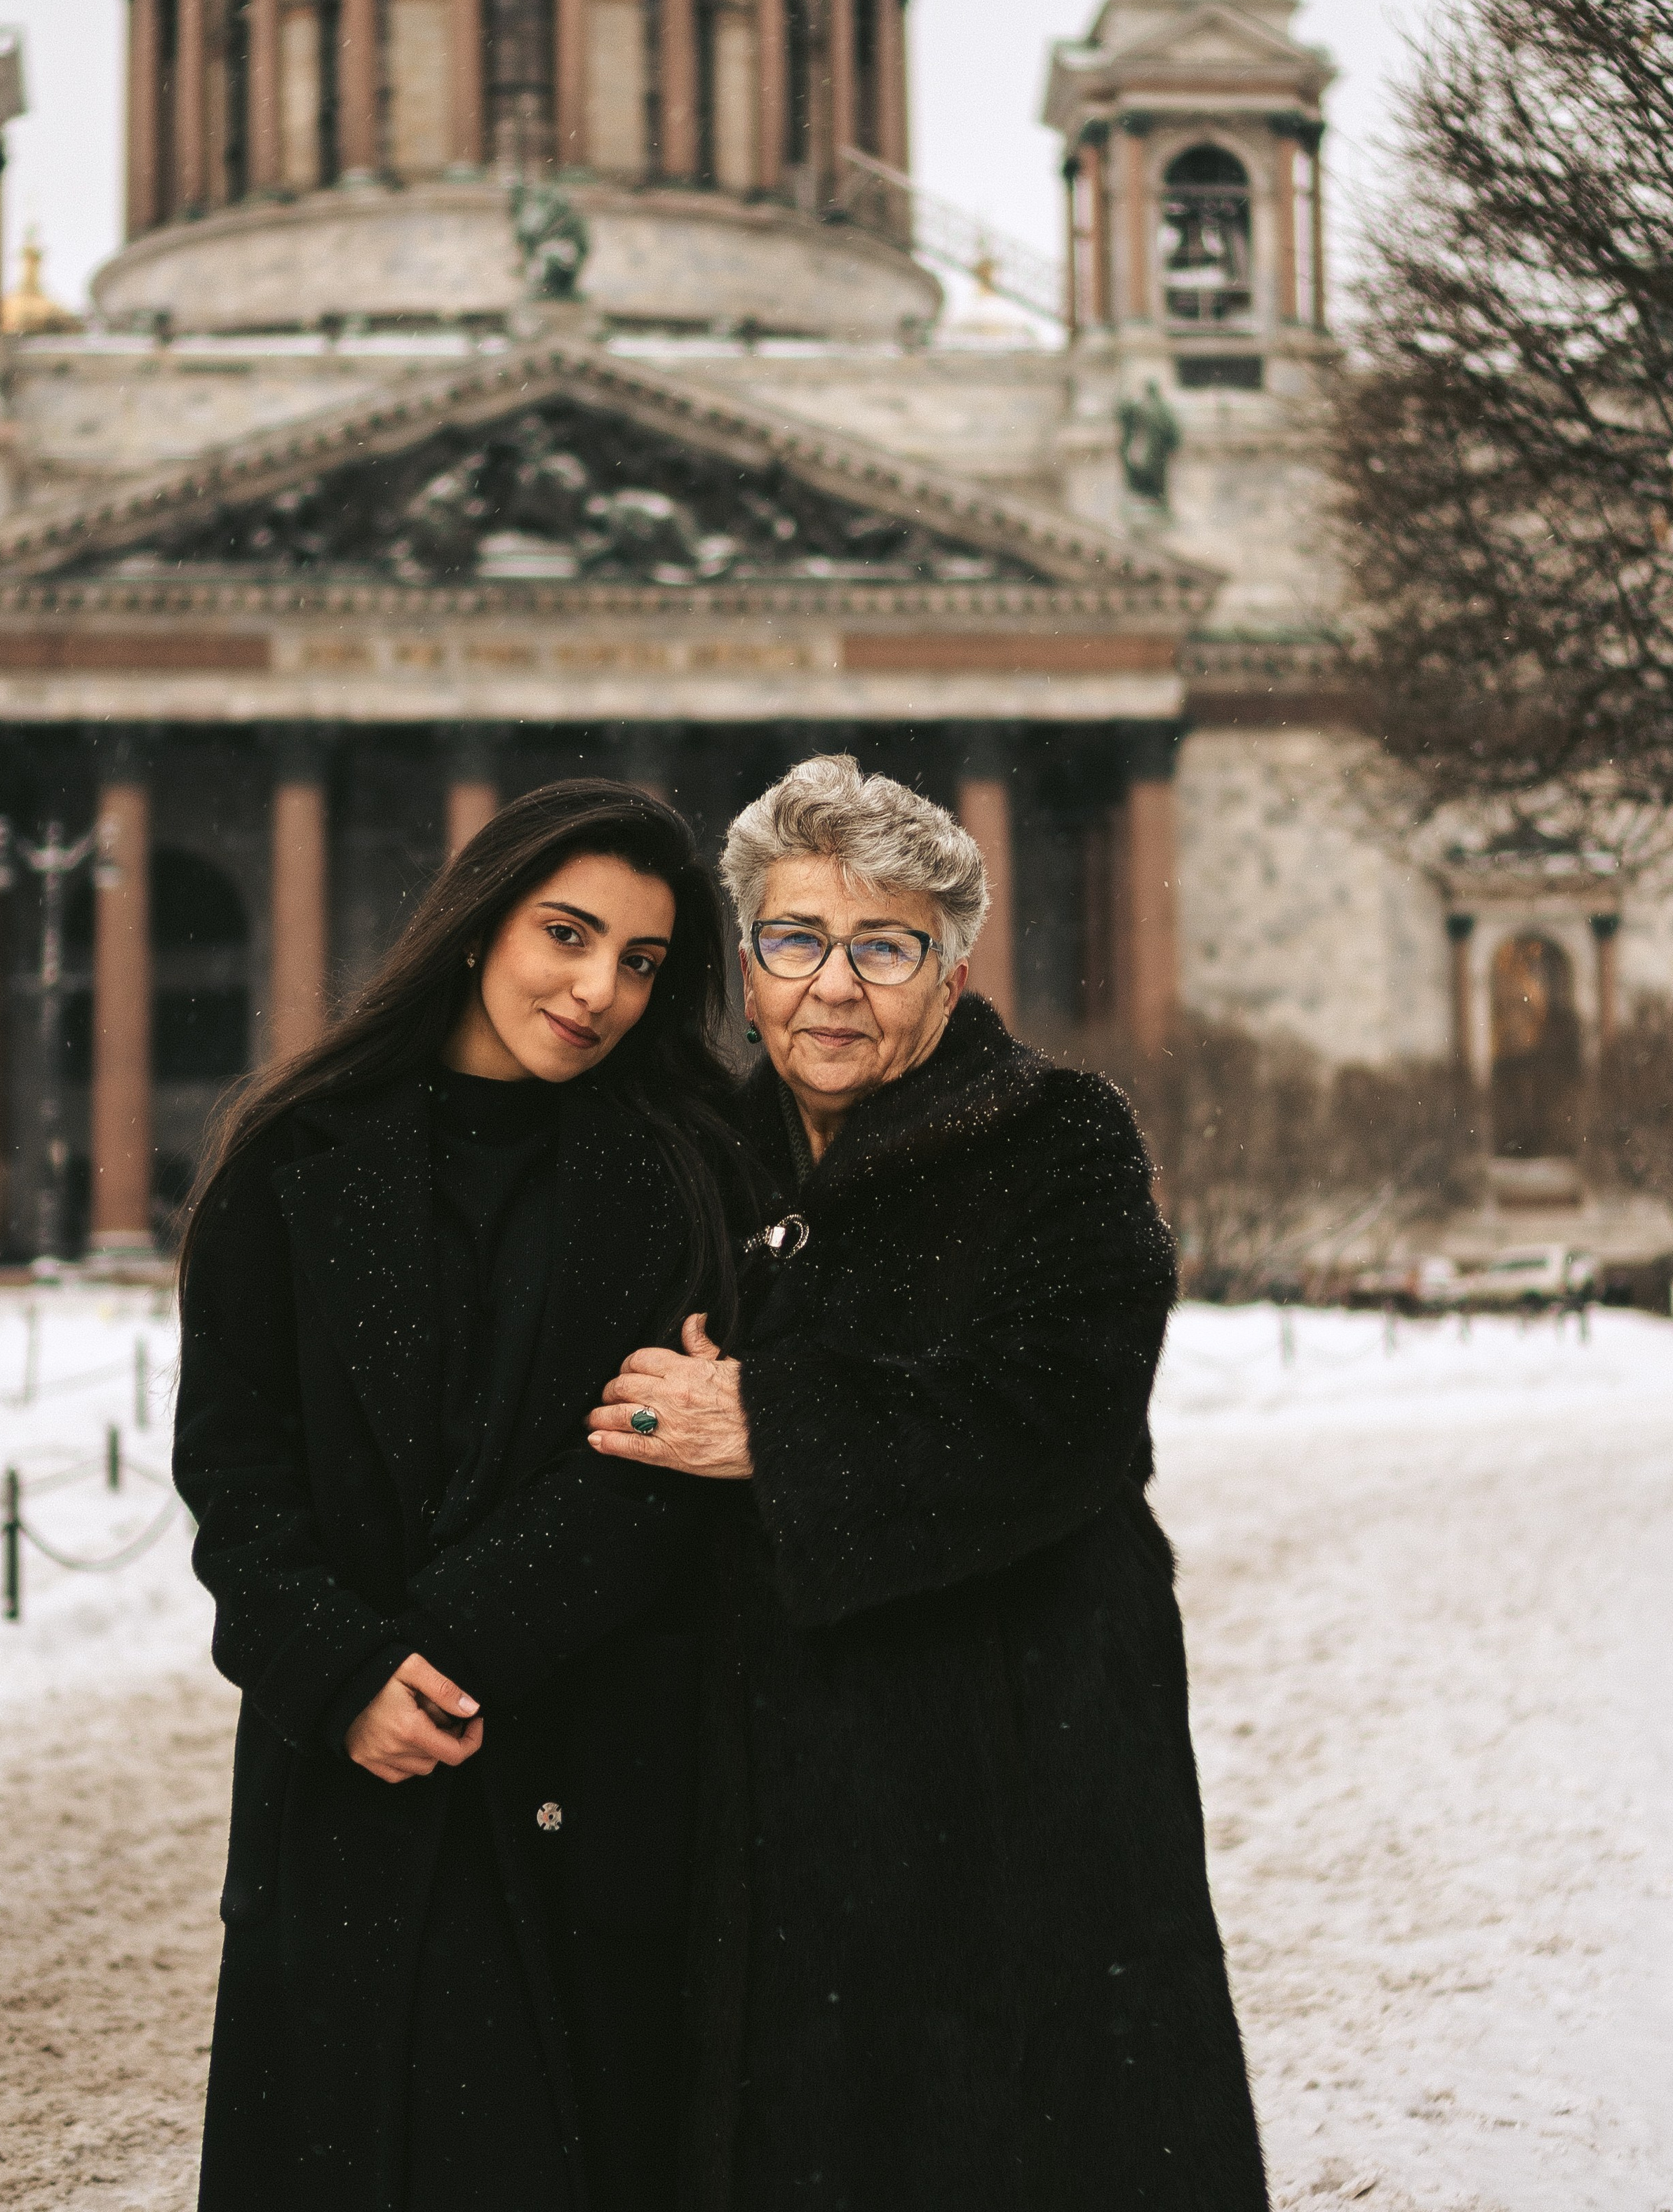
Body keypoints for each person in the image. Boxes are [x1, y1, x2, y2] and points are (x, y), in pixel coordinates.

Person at [589, 755, 1270, 2211]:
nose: (833, 986)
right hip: (774, 1773)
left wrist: (772, 1420)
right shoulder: (704, 1160)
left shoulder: (1056, 1137)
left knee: (1013, 2130)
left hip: (1012, 1760)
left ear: (948, 975)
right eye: (794, 940)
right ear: (746, 966)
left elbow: (1065, 1419)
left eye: (882, 947)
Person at [174, 781, 755, 2212]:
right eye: (567, 933)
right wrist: (342, 1673)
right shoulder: (289, 1160)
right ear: (480, 917)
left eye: (640, 963)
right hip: (350, 1778)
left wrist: (440, 1648)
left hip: (580, 1755)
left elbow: (653, 1468)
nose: (596, 989)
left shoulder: (688, 1170)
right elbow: (234, 1478)